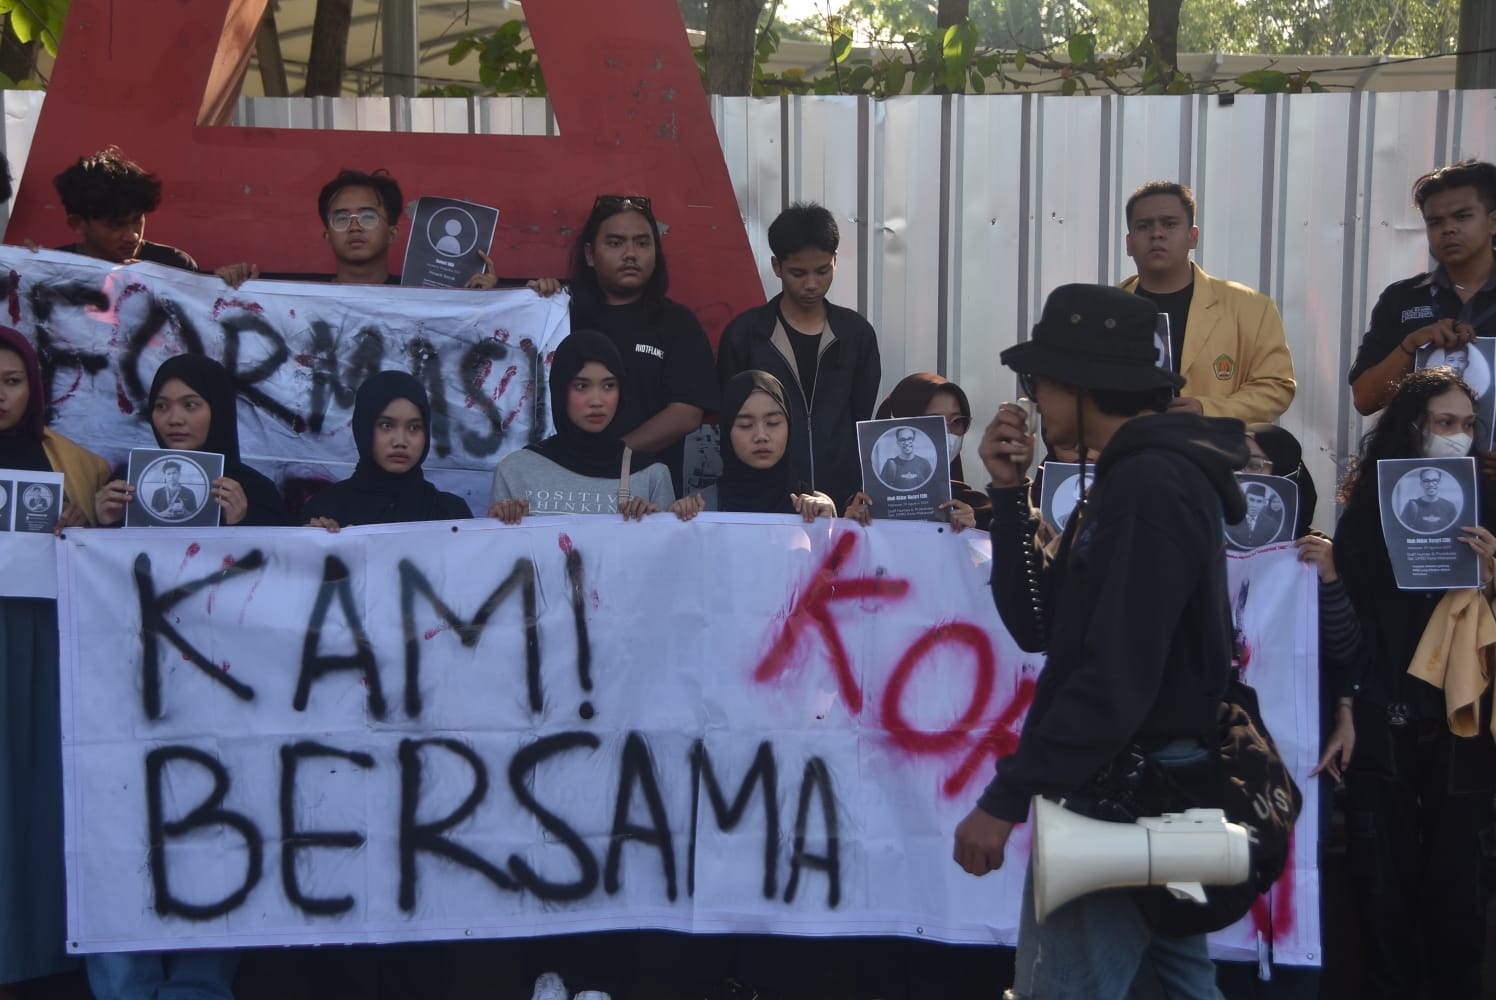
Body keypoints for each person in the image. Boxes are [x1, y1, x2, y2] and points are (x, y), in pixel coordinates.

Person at [952, 283, 1249, 999]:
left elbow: (1112, 678)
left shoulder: (1147, 485)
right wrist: (1010, 497)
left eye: (1040, 382)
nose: (1032, 400)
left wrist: (1006, 798)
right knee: (1173, 986)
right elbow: (1041, 626)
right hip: (1158, 782)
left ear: (1082, 384)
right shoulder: (1132, 476)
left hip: (1123, 788)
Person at [1329, 366, 1496, 999]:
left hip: (1464, 713)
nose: (1457, 437)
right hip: (1382, 707)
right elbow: (1344, 612)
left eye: (1467, 425)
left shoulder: (1489, 500)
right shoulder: (1369, 506)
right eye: (1444, 424)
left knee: (1460, 877)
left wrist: (1491, 577)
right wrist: (1345, 705)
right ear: (1414, 427)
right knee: (1380, 876)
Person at [0, 327, 110, 994]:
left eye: (12, 382)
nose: (0, 396)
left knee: (40, 793)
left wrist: (81, 526)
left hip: (43, 645)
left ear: (33, 388)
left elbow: (103, 552)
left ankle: (38, 946)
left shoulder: (70, 460)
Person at [717, 202, 881, 510]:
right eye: (798, 273)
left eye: (822, 271)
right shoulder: (745, 335)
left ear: (835, 260)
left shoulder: (856, 335)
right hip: (768, 504)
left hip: (840, 501)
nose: (811, 284)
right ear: (777, 266)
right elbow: (732, 426)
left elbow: (859, 421)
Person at [568, 194, 718, 496]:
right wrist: (530, 300)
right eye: (615, 243)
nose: (630, 254)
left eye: (642, 242)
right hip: (566, 487)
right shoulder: (562, 316)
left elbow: (686, 413)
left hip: (648, 495)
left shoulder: (677, 323)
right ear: (589, 254)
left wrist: (614, 454)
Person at [1118, 180, 1296, 424]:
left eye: (1170, 224)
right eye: (1144, 226)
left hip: (1214, 455)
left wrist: (1207, 409)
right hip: (1126, 454)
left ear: (1193, 237)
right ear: (1129, 243)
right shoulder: (1105, 313)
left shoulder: (1251, 308)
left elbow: (1276, 387)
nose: (1156, 233)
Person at [1349, 161, 1496, 420]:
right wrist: (1412, 344)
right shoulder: (1402, 298)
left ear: (1492, 222)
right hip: (1417, 460)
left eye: (1462, 217)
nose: (1448, 229)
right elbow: (1364, 400)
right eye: (1435, 222)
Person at [489, 330, 673, 522]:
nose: (596, 401)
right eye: (581, 386)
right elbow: (502, 550)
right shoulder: (515, 471)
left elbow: (666, 550)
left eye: (609, 385)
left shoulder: (652, 475)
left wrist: (652, 525)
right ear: (560, 390)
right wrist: (503, 522)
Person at [94, 354, 288, 528]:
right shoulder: (126, 487)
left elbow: (277, 560)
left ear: (219, 410)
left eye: (190, 405)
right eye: (161, 406)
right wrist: (107, 524)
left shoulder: (256, 493)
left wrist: (243, 522)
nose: (174, 420)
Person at [303, 370, 472, 529]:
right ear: (364, 428)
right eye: (386, 425)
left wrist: (498, 525)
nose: (400, 441)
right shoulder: (326, 510)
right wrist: (310, 545)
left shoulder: (451, 515)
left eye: (414, 428)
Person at [669, 370, 836, 521]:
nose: (761, 436)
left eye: (772, 423)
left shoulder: (816, 507)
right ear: (727, 431)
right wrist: (676, 521)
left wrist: (827, 526)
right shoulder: (700, 509)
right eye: (746, 425)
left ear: (789, 426)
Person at [867, 372, 990, 529]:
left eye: (957, 421)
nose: (947, 432)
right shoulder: (865, 505)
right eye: (934, 421)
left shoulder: (978, 509)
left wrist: (971, 534)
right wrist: (856, 525)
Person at [51, 147, 199, 270]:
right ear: (77, 223)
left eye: (137, 220)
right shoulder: (50, 268)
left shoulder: (173, 265)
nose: (133, 236)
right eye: (116, 225)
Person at [1398, 466, 1459, 533]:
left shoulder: (1450, 506)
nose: (1431, 484)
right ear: (1421, 484)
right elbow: (1401, 532)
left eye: (1435, 480)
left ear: (1440, 483)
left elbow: (1455, 532)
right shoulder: (1411, 506)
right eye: (1426, 481)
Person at [1225, 481, 1283, 549]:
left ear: (1263, 503)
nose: (1254, 505)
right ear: (1244, 499)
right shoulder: (1231, 519)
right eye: (1251, 500)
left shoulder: (1271, 524)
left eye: (1259, 501)